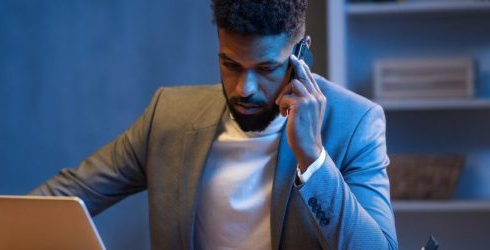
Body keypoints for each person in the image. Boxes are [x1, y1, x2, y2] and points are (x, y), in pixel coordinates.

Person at [30, 0, 398, 249]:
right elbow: (67, 196)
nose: (244, 89)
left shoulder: (355, 123)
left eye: (267, 69)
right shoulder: (169, 116)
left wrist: (313, 159)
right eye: (230, 65)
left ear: (301, 55)